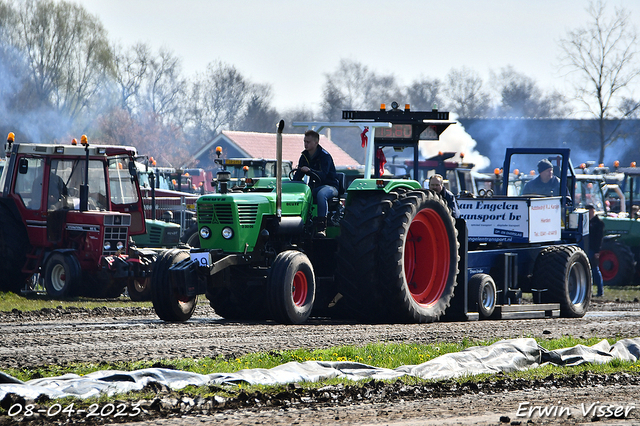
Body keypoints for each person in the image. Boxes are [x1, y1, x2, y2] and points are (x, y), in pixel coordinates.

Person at [292, 130, 339, 237]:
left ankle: (322, 227)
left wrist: (309, 171)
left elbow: (322, 176)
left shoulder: (324, 156)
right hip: (314, 187)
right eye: (304, 141)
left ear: (316, 142)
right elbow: (298, 176)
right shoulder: (304, 156)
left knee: (321, 194)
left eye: (308, 142)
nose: (305, 144)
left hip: (330, 186)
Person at [587, 204, 605, 297]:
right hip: (586, 247)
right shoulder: (584, 222)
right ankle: (589, 291)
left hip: (593, 249)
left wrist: (597, 251)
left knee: (595, 269)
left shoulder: (598, 223)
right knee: (587, 270)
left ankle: (600, 291)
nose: (590, 212)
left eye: (591, 210)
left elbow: (599, 238)